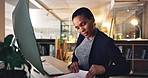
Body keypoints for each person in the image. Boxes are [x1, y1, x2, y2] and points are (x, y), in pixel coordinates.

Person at [68, 7, 131, 78]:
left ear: (92, 19)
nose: (81, 30)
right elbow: (76, 54)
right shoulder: (82, 36)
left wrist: (104, 69)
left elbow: (125, 68)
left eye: (83, 24)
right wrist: (74, 62)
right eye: (77, 28)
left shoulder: (106, 42)